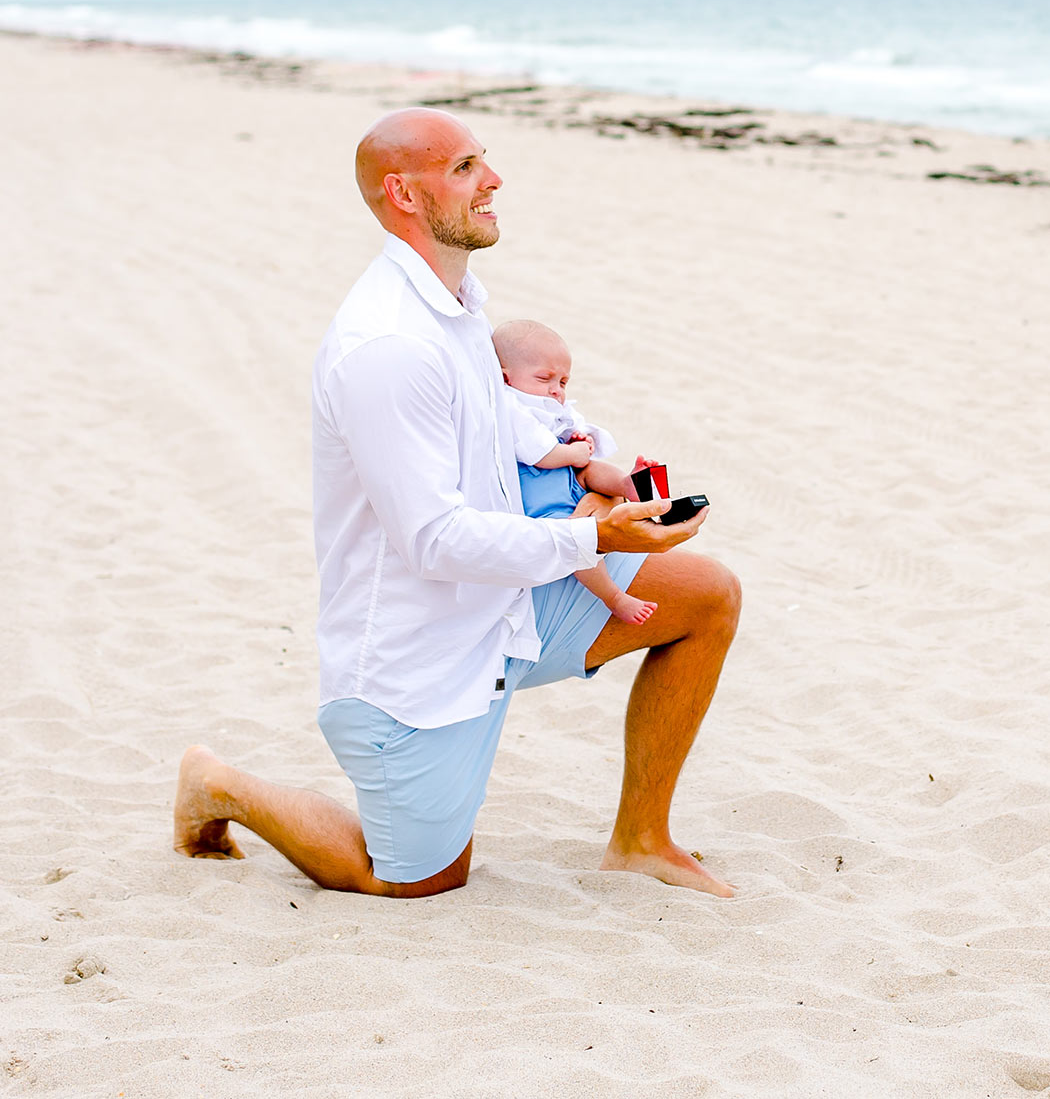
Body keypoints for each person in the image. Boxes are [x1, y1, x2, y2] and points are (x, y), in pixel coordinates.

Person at [174, 108, 741, 899]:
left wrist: (596, 487)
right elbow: (433, 540)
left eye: (487, 162)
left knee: (708, 594)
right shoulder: (389, 347)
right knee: (415, 879)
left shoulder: (463, 305)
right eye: (468, 167)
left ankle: (642, 838)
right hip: (418, 661)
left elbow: (503, 460)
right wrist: (593, 543)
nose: (495, 180)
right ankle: (221, 782)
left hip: (506, 611)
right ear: (404, 193)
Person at [493, 317, 660, 626]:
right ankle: (614, 597)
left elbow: (571, 431)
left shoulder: (543, 405)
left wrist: (578, 439)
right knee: (575, 544)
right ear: (505, 378)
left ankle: (627, 485)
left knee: (591, 469)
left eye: (563, 382)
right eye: (545, 378)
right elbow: (539, 454)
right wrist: (571, 452)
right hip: (540, 497)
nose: (556, 391)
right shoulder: (509, 406)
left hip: (564, 475)